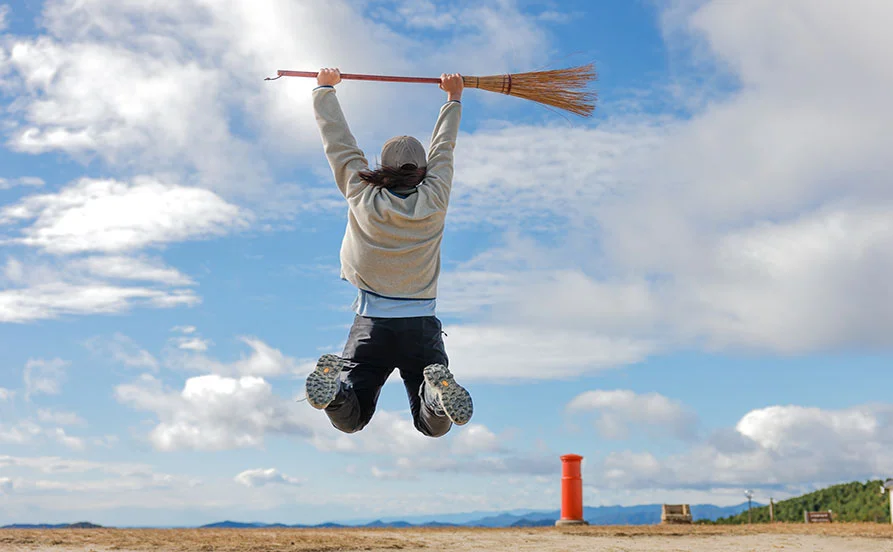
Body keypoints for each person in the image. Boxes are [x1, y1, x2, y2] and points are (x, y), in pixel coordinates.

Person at [305, 67, 473, 438]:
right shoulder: (435, 197)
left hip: (371, 325)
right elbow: (444, 148)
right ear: (424, 172)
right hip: (420, 324)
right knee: (431, 427)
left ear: (384, 167)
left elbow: (339, 143)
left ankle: (335, 395)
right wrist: (453, 99)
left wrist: (325, 90)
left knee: (355, 415)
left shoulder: (362, 193)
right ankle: (433, 396)